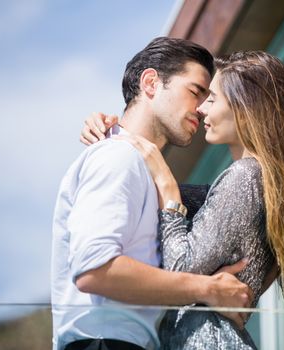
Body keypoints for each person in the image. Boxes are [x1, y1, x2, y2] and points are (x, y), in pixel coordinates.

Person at [81, 51, 284, 349]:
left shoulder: (245, 177)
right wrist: (113, 131)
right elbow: (155, 197)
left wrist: (167, 188)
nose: (202, 109)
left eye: (212, 99)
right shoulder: (258, 185)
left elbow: (180, 267)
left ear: (247, 107)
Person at [52, 37, 254, 350]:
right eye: (195, 91)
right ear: (150, 83)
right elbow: (95, 269)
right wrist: (207, 288)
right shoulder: (119, 158)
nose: (202, 108)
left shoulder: (142, 171)